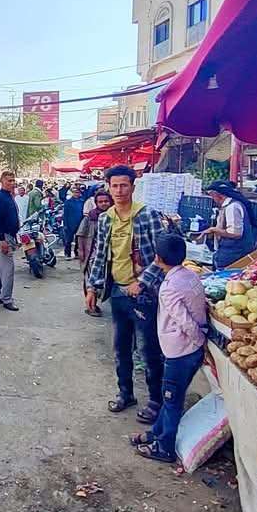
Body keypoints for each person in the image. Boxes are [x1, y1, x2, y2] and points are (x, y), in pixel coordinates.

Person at [85, 165, 174, 421]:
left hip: (143, 295)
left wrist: (142, 282)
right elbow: (100, 254)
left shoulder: (146, 215)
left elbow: (162, 258)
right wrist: (93, 286)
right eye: (115, 186)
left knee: (148, 351)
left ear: (133, 188)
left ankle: (156, 401)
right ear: (108, 188)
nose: (119, 191)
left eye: (124, 185)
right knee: (121, 348)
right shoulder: (106, 218)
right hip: (117, 292)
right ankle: (126, 393)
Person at [131, 233, 208, 463]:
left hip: (180, 352)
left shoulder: (169, 287)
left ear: (157, 258)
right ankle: (155, 433)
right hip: (188, 351)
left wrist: (197, 342)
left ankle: (164, 447)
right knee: (170, 398)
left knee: (172, 400)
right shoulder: (190, 276)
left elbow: (184, 321)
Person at [201, 180, 257, 269]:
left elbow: (235, 233)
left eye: (212, 196)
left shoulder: (232, 207)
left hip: (235, 253)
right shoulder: (226, 206)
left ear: (218, 195)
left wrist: (214, 230)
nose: (212, 199)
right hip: (230, 250)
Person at [0, 170, 21, 311]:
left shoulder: (8, 196)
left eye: (13, 180)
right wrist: (2, 240)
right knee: (8, 269)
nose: (12, 183)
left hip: (8, 236)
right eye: (9, 180)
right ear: (2, 181)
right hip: (2, 236)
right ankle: (6, 298)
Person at [76, 188, 113, 316]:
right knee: (91, 281)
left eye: (106, 201)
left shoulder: (115, 216)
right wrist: (81, 252)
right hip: (92, 254)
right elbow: (81, 234)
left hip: (110, 255)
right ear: (96, 203)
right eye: (100, 201)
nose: (104, 204)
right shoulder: (90, 217)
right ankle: (91, 306)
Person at [61, 184, 84, 259]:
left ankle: (76, 253)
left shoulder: (82, 201)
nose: (76, 194)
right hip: (70, 223)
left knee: (78, 240)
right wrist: (65, 224)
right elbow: (65, 214)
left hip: (79, 223)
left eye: (78, 192)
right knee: (68, 240)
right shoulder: (68, 202)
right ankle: (67, 254)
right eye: (75, 192)